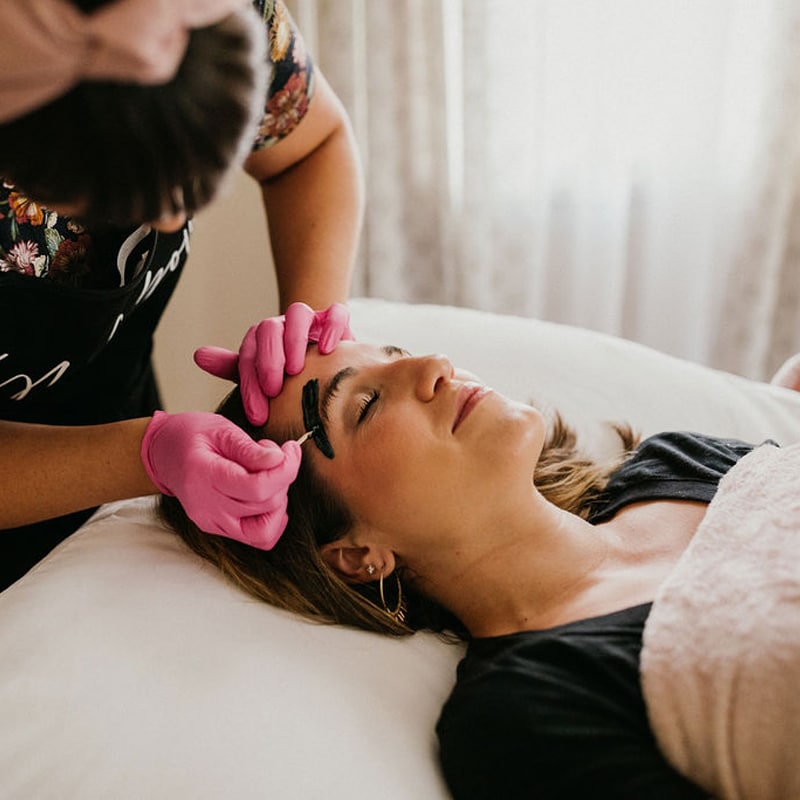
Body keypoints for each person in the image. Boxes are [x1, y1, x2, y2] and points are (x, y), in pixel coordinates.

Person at [158, 339, 781, 797]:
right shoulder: (526, 713)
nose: (432, 366)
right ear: (354, 554)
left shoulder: (683, 459)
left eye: (396, 349)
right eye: (367, 403)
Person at [0, 0, 363, 589]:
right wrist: (142, 454)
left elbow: (311, 149)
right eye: (120, 202)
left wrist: (314, 333)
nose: (170, 226)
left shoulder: (219, 17)